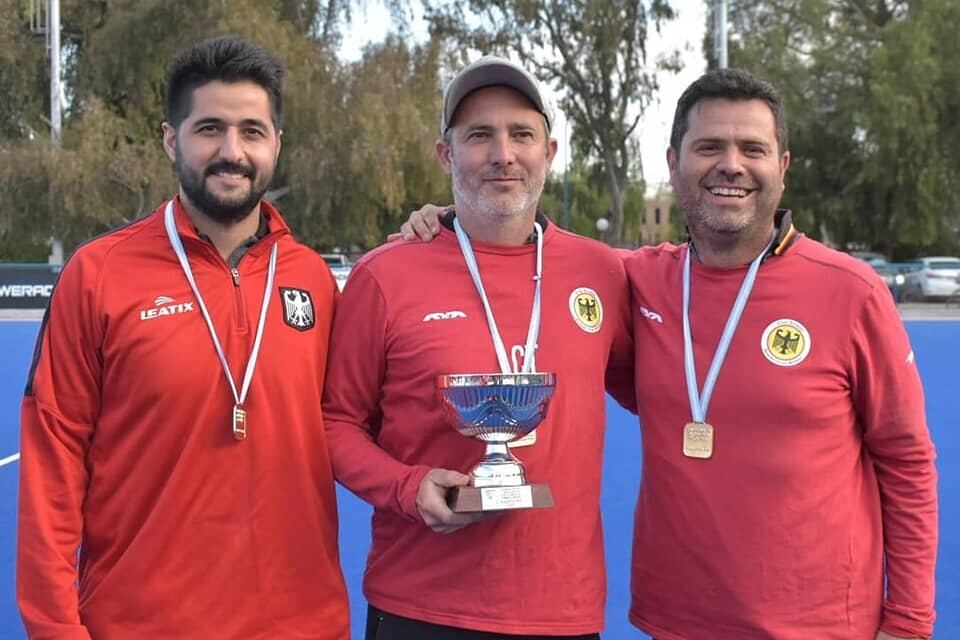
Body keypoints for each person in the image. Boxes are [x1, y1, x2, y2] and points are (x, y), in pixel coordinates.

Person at [400, 68, 938, 639]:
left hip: (820, 626)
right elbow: (524, 253)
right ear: (673, 163)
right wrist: (453, 218)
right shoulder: (632, 281)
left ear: (781, 167)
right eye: (709, 147)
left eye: (752, 148)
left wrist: (906, 622)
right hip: (675, 620)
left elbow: (906, 463)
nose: (730, 164)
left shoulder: (851, 292)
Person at [17, 36, 350, 639]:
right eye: (209, 129)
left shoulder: (314, 281)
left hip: (302, 623)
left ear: (276, 144)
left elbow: (357, 426)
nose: (232, 151)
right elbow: (52, 463)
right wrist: (55, 630)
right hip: (139, 625)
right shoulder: (98, 275)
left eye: (252, 130)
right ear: (172, 139)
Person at [321, 56, 634, 639]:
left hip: (562, 609)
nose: (503, 155)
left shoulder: (604, 272)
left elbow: (667, 380)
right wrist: (407, 488)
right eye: (479, 136)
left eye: (521, 135)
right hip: (421, 605)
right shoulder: (385, 275)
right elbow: (334, 423)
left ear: (550, 151)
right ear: (446, 154)